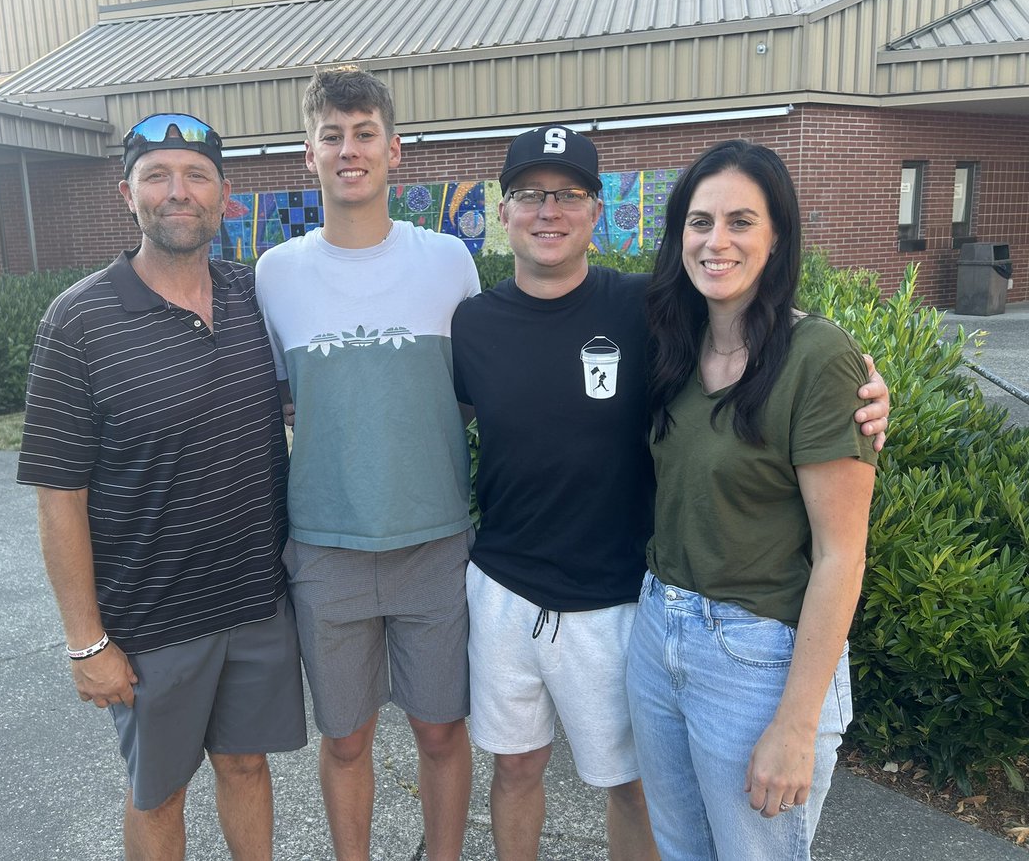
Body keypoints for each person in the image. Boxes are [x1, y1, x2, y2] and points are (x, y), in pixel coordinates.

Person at [450, 126, 889, 860]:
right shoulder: (484, 324)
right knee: (552, 779)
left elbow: (784, 358)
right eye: (530, 193)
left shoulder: (648, 311)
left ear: (597, 211)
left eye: (568, 195)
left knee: (654, 799)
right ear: (503, 211)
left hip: (648, 609)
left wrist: (864, 392)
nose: (547, 210)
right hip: (554, 598)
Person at [17, 113, 306, 861]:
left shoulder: (252, 300)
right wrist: (86, 642)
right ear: (127, 193)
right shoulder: (77, 321)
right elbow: (59, 496)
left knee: (246, 766)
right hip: (151, 624)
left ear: (225, 196)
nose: (178, 193)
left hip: (255, 601)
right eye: (157, 176)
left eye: (196, 176)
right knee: (159, 793)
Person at [626, 139, 878, 859]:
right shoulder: (674, 344)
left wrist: (797, 726)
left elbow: (841, 555)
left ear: (777, 237)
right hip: (659, 627)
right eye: (700, 222)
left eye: (741, 221)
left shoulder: (819, 359)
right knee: (680, 850)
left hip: (757, 656)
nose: (716, 241)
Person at [253, 66, 478, 861]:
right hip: (325, 547)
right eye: (332, 136)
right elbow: (277, 401)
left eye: (365, 133)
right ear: (307, 154)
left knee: (442, 730)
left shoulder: (450, 261)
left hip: (435, 541)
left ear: (396, 149)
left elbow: (480, 391)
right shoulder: (275, 275)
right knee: (345, 741)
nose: (349, 150)